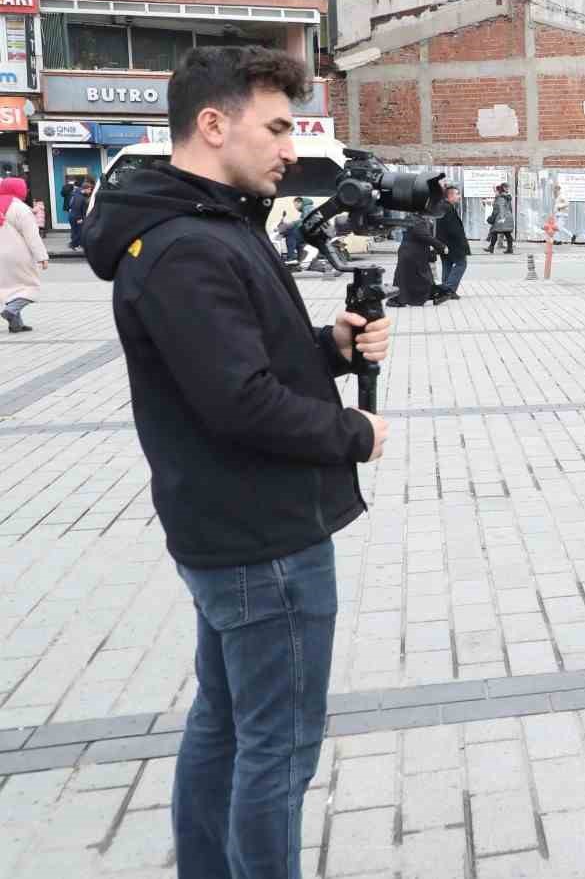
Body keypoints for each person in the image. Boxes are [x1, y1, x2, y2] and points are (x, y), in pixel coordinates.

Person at [80, 45, 391, 879]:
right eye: (279, 127)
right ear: (213, 125)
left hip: (230, 528)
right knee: (278, 752)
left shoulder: (208, 226)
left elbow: (239, 363)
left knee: (223, 725)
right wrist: (354, 434)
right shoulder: (189, 246)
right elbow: (240, 403)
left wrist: (329, 344)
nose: (292, 150)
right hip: (263, 541)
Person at [1, 177, 47, 333]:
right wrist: (42, 257)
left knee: (9, 289)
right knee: (30, 286)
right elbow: (32, 236)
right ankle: (11, 310)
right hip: (17, 254)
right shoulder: (20, 208)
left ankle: (15, 324)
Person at [391, 214, 448, 306]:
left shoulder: (414, 218)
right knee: (420, 276)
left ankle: (432, 295)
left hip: (411, 252)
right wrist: (441, 246)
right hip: (413, 253)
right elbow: (424, 236)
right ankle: (431, 295)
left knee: (408, 277)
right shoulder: (416, 220)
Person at [437, 184, 470, 300]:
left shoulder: (442, 206)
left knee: (447, 265)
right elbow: (453, 229)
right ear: (450, 195)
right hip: (452, 244)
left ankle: (446, 291)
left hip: (443, 243)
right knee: (461, 264)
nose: (459, 197)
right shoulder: (448, 208)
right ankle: (448, 289)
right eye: (457, 194)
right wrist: (461, 243)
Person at [485, 183, 515, 253]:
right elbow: (509, 209)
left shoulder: (500, 198)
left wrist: (500, 218)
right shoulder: (506, 197)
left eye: (496, 191)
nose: (495, 192)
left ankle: (491, 248)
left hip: (502, 218)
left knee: (494, 232)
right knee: (507, 234)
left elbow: (500, 208)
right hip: (508, 217)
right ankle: (509, 249)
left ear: (499, 191)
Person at [69, 179, 94, 249]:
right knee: (78, 232)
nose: (90, 191)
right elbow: (77, 207)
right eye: (89, 189)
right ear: (85, 189)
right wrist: (79, 218)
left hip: (73, 216)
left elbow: (71, 205)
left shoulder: (77, 194)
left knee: (75, 231)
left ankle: (77, 244)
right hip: (76, 217)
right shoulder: (80, 197)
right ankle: (74, 245)